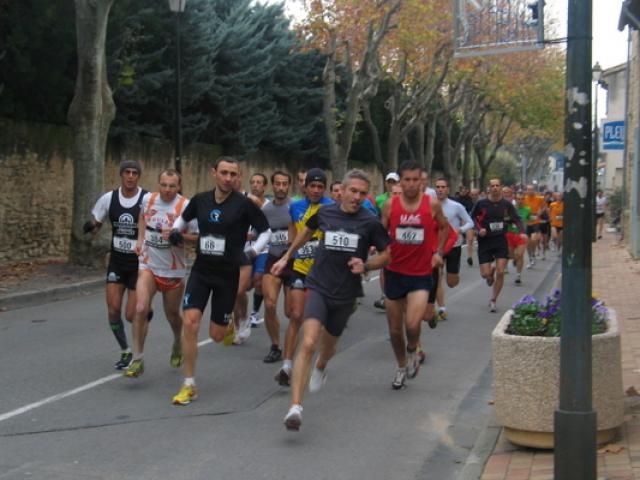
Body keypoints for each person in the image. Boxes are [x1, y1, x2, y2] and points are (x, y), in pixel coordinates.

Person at [271, 169, 391, 431]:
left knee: (328, 346)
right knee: (309, 341)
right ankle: (295, 407)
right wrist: (286, 257)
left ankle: (322, 366)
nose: (357, 197)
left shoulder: (369, 222)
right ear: (342, 191)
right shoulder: (325, 213)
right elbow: (305, 232)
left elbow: (387, 255)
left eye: (362, 193)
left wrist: (367, 264)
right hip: (319, 286)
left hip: (346, 293)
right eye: (353, 191)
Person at [168, 156, 270, 405]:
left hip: (227, 275)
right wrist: (174, 229)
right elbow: (183, 218)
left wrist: (253, 252)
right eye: (224, 172)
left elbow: (265, 231)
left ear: (239, 177)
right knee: (190, 323)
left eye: (233, 174)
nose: (228, 178)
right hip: (201, 271)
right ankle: (189, 384)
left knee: (216, 335)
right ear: (214, 172)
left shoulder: (244, 204)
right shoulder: (200, 200)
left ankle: (230, 326)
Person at [381, 161, 449, 390]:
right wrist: (378, 252)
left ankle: (413, 349)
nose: (411, 184)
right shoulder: (390, 206)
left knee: (411, 324)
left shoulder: (432, 205)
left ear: (422, 181)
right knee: (394, 329)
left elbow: (444, 227)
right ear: (400, 181)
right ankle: (401, 367)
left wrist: (438, 252)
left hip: (420, 274)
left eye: (415, 180)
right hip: (394, 272)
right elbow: (380, 233)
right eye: (406, 180)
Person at [125, 169, 198, 378]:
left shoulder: (185, 206)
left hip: (173, 270)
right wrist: (140, 240)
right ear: (159, 183)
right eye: (164, 185)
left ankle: (177, 340)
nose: (167, 190)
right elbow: (142, 217)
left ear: (179, 186)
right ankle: (137, 359)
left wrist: (179, 235)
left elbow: (197, 235)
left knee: (172, 315)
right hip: (148, 264)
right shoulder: (148, 199)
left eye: (172, 186)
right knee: (140, 307)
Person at [83, 159, 147, 370]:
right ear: (121, 175)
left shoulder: (146, 199)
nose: (130, 176)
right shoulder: (109, 198)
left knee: (131, 315)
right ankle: (126, 351)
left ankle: (145, 311)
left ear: (138, 176)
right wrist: (90, 226)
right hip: (117, 262)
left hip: (138, 265)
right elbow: (97, 223)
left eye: (134, 173)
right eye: (126, 172)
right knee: (112, 310)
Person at [274, 168, 332, 387]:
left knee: (317, 323)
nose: (316, 190)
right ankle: (287, 366)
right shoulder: (295, 207)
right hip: (299, 267)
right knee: (295, 315)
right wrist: (289, 254)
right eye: (312, 186)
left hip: (323, 273)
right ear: (305, 187)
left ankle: (315, 360)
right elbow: (293, 232)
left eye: (320, 187)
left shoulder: (331, 207)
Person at [470, 179, 525, 312]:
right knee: (485, 274)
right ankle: (490, 274)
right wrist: (479, 229)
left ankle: (493, 299)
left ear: (500, 187)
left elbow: (517, 218)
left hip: (500, 240)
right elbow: (472, 218)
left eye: (497, 185)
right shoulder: (481, 203)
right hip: (485, 241)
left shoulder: (506, 204)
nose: (495, 188)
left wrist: (522, 232)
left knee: (501, 271)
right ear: (489, 188)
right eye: (492, 186)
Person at [427, 178, 474, 322]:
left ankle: (452, 279)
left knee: (452, 282)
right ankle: (441, 308)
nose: (440, 189)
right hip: (437, 248)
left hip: (454, 246)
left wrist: (459, 230)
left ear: (448, 189)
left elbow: (470, 222)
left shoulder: (456, 206)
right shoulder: (430, 205)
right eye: (438, 187)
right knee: (437, 276)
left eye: (443, 187)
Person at [261, 171, 295, 363]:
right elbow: (261, 233)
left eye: (284, 184)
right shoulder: (266, 210)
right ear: (272, 186)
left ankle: (298, 338)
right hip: (273, 259)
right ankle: (275, 346)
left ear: (289, 186)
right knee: (269, 303)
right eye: (278, 184)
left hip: (292, 261)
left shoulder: (295, 207)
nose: (281, 187)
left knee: (291, 312)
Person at [373, 172, 400, 310]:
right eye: (389, 182)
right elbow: (378, 221)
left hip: (402, 243)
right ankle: (385, 295)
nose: (391, 185)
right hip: (386, 240)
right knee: (385, 267)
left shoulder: (407, 203)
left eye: (394, 182)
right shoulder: (379, 200)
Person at [248, 172, 270, 328]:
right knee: (244, 285)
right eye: (253, 182)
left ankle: (254, 313)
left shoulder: (269, 205)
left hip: (263, 249)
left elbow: (271, 222)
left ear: (264, 186)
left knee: (258, 279)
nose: (255, 185)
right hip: (245, 249)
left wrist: (257, 203)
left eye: (259, 182)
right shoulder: (243, 202)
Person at [508, 192, 531, 285]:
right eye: (518, 199)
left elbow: (529, 220)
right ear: (515, 199)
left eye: (522, 199)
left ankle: (518, 275)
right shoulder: (509, 209)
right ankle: (514, 259)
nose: (520, 201)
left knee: (520, 254)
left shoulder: (527, 209)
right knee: (511, 255)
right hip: (510, 234)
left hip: (521, 235)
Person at [522, 184, 545, 268]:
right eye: (528, 190)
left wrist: (540, 212)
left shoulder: (539, 198)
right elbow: (520, 208)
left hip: (536, 222)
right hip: (527, 223)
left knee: (534, 239)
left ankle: (533, 253)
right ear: (526, 191)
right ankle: (531, 258)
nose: (530, 191)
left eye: (531, 189)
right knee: (528, 242)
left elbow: (543, 207)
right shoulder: (524, 198)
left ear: (534, 190)